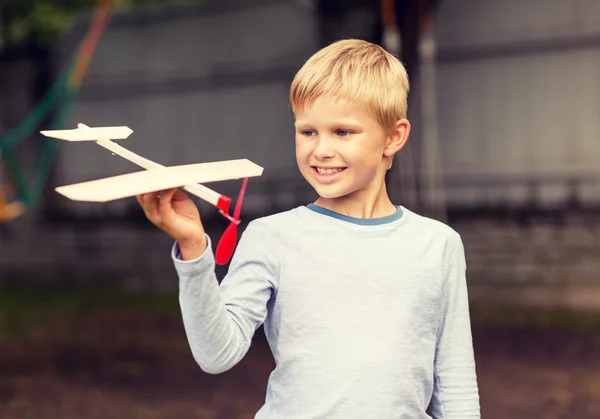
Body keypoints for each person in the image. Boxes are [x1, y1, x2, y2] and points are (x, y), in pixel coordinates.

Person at [136, 39, 480, 418]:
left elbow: (454, 378)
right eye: (308, 132)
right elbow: (216, 355)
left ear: (393, 137)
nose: (321, 150)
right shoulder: (271, 237)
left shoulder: (438, 243)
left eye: (343, 132)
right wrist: (194, 250)